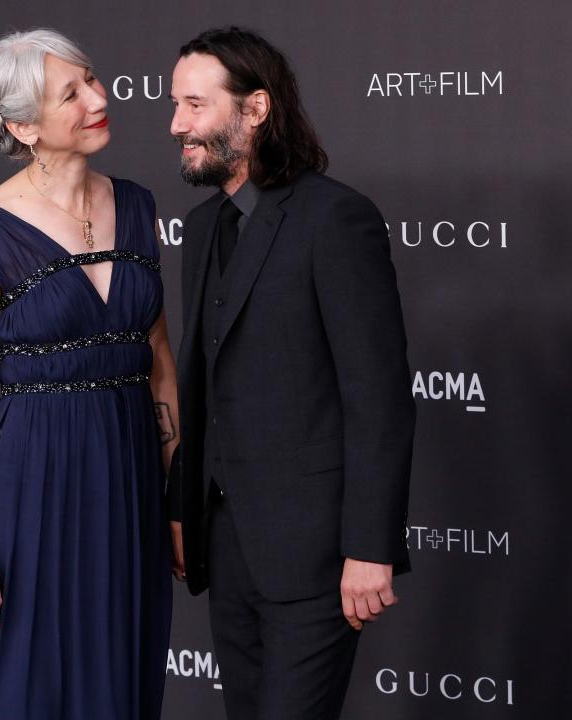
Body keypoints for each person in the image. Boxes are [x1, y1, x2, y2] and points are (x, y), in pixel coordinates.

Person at [166, 27, 416, 719]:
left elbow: (379, 396)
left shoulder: (335, 219)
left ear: (256, 110)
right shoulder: (199, 228)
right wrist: (183, 510)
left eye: (194, 105)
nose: (176, 125)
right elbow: (206, 385)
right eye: (175, 105)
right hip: (228, 546)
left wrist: (370, 548)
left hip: (316, 551)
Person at [0, 29, 176, 720]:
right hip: (33, 485)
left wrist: (176, 500)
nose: (98, 99)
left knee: (122, 673)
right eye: (70, 94)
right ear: (23, 125)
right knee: (38, 681)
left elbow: (159, 366)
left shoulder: (137, 206)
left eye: (93, 81)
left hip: (131, 479)